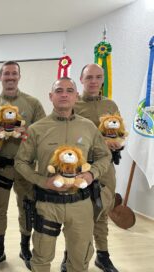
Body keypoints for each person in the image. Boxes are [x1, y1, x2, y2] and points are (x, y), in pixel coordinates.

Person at [14, 77, 111, 272]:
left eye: (69, 90)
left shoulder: (88, 127)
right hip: (47, 205)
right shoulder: (36, 129)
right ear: (51, 96)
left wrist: (91, 174)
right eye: (59, 91)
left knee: (80, 259)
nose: (64, 94)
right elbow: (20, 162)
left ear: (76, 96)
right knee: (41, 258)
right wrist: (42, 181)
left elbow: (104, 156)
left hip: (81, 205)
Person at [0, 61, 46, 271]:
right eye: (6, 74)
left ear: (19, 77)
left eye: (14, 74)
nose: (10, 77)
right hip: (1, 167)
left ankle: (24, 248)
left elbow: (43, 134)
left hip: (25, 169)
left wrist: (25, 132)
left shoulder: (33, 103)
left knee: (26, 209)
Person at [67, 63, 120, 272]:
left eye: (98, 77)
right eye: (89, 77)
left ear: (103, 80)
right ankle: (70, 256)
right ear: (81, 80)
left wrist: (118, 142)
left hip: (106, 168)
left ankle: (102, 255)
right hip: (78, 170)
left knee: (102, 211)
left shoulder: (111, 105)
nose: (94, 81)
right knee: (75, 214)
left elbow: (118, 130)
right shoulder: (73, 104)